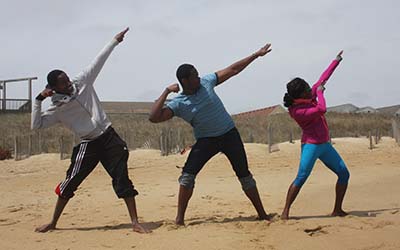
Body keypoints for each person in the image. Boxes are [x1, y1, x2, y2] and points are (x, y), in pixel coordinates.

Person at [32, 28, 150, 233]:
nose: (69, 84)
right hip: (87, 144)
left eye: (67, 79)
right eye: (63, 83)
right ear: (53, 88)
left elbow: (99, 60)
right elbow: (37, 125)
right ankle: (53, 222)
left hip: (109, 136)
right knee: (70, 182)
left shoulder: (83, 81)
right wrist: (38, 100)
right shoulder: (57, 109)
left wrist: (114, 41)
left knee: (122, 178)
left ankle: (134, 222)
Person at [149, 43, 272, 225]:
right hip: (206, 141)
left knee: (244, 175)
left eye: (198, 74)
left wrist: (256, 55)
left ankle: (262, 214)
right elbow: (154, 117)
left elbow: (233, 69)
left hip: (230, 135)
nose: (198, 77)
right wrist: (166, 91)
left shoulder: (207, 82)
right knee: (187, 177)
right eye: (194, 76)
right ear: (185, 81)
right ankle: (179, 220)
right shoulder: (179, 103)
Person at [281, 50, 350, 220]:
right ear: (300, 95)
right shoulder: (297, 111)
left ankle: (337, 210)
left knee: (344, 174)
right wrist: (320, 93)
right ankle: (285, 212)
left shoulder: (308, 95)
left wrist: (336, 60)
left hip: (325, 145)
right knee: (302, 177)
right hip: (311, 146)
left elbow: (324, 77)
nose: (309, 90)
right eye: (307, 89)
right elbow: (321, 109)